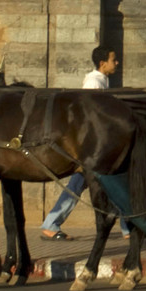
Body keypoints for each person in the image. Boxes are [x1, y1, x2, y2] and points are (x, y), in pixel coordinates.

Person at [39, 45, 118, 240]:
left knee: (77, 186)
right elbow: (90, 116)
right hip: (91, 149)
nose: (116, 63)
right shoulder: (93, 82)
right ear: (102, 63)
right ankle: (128, 228)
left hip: (92, 148)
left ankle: (51, 223)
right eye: (113, 59)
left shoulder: (102, 80)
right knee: (115, 181)